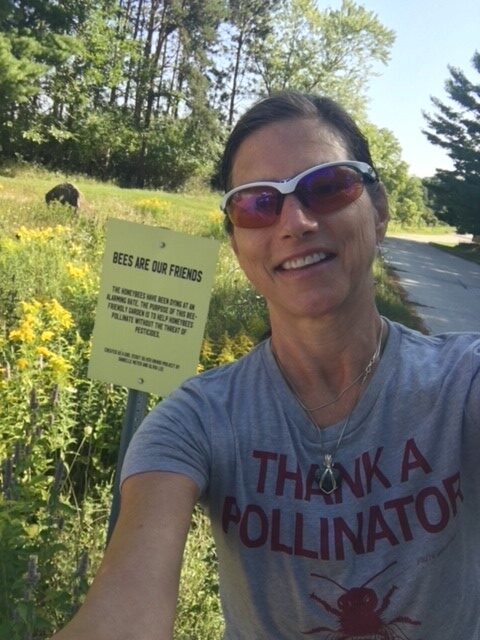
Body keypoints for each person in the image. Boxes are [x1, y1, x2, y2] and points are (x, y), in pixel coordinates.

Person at [52, 91, 480, 640]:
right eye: (257, 204)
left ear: (378, 210)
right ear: (236, 243)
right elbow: (124, 613)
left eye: (327, 187)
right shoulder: (197, 422)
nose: (295, 222)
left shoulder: (461, 382)